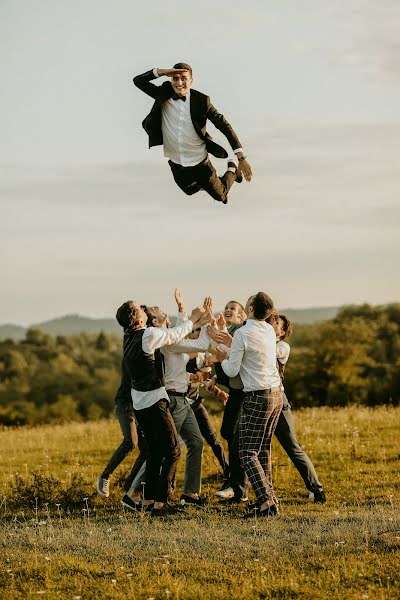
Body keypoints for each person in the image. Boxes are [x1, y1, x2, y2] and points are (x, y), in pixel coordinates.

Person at [116, 299, 208, 516]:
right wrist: (192, 319)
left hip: (139, 404)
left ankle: (148, 501)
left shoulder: (128, 337)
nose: (144, 309)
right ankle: (161, 503)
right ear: (139, 318)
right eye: (141, 309)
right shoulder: (147, 334)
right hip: (154, 401)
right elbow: (174, 335)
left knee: (156, 452)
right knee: (173, 450)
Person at [133, 63, 253, 205]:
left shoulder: (202, 101)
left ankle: (232, 169)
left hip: (199, 162)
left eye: (184, 78)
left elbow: (224, 126)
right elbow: (138, 81)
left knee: (221, 196)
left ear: (191, 81)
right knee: (190, 191)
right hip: (176, 162)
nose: (179, 83)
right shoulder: (163, 93)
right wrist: (164, 72)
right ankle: (215, 180)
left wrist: (241, 157)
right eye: (175, 79)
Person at [216, 292, 284, 518]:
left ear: (252, 308)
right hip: (276, 395)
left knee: (246, 452)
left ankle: (266, 501)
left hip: (257, 397)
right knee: (263, 449)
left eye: (251, 299)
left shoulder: (244, 332)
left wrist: (220, 358)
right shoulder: (266, 329)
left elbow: (232, 371)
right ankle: (269, 499)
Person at [272, 314, 326, 503]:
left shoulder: (282, 347)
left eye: (276, 324)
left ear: (283, 332)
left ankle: (316, 488)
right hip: (259, 400)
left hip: (279, 400)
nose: (272, 325)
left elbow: (264, 351)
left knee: (292, 446)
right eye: (271, 321)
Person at [208, 301, 248, 503]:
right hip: (235, 390)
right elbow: (222, 361)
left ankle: (237, 486)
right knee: (228, 432)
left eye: (233, 308)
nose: (228, 309)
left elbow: (227, 358)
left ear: (242, 316)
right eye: (227, 307)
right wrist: (216, 378)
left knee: (235, 436)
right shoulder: (229, 332)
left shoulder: (240, 331)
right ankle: (234, 482)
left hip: (244, 391)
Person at [96, 359, 146, 498]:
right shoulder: (132, 353)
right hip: (125, 404)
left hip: (141, 407)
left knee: (148, 448)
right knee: (131, 441)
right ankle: (105, 477)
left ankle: (129, 487)